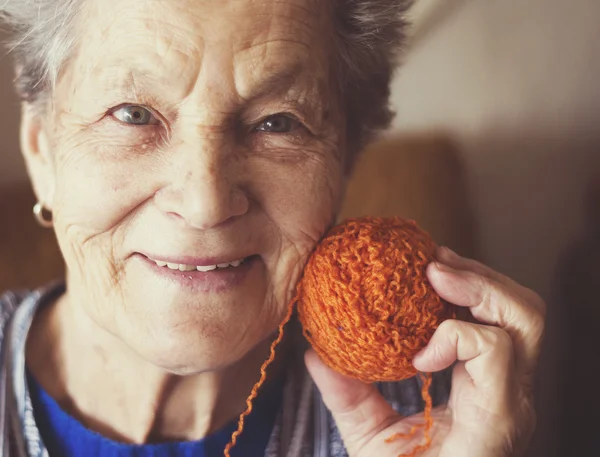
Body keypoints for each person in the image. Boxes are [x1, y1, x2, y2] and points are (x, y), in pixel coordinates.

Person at [0, 0, 545, 456]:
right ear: (41, 150)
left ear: (344, 164)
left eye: (277, 122)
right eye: (133, 114)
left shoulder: (429, 416)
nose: (205, 203)